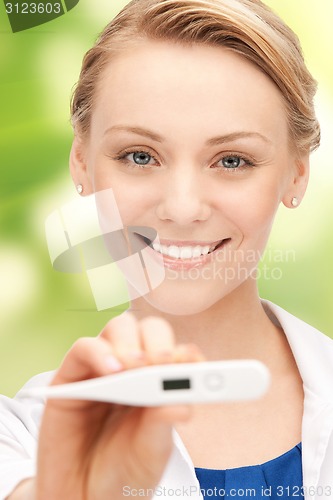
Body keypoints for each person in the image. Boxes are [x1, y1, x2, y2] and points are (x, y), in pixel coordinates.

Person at [1, 0, 333, 498]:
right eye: (139, 156)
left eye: (232, 160)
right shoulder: (22, 441)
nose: (182, 208)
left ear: (297, 172)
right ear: (81, 163)